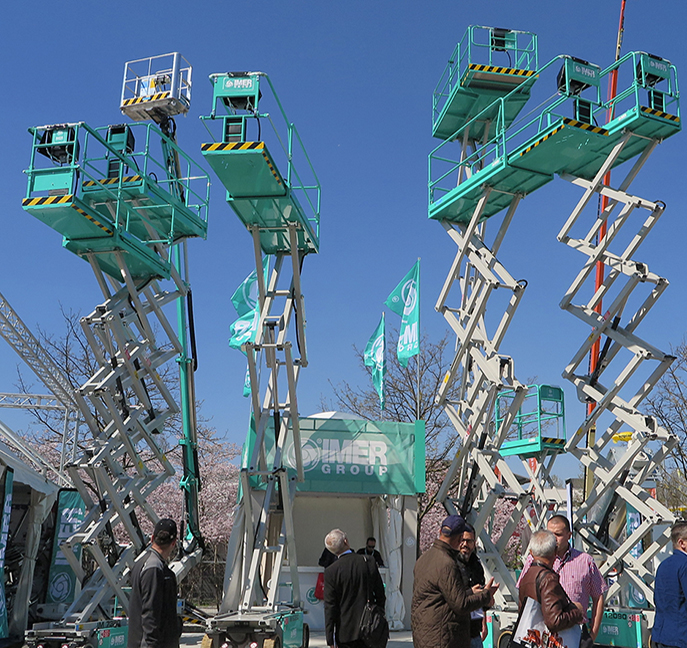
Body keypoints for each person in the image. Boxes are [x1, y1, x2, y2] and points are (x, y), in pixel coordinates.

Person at [411, 515, 498, 648]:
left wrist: (473, 594)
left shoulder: (423, 559)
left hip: (425, 633)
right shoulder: (447, 563)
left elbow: (441, 598)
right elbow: (460, 604)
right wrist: (485, 595)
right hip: (442, 636)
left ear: (440, 531)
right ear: (459, 539)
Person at [517, 514, 607, 643]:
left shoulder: (584, 561)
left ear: (569, 535)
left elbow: (598, 596)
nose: (553, 538)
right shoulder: (534, 560)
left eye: (558, 534)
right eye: (549, 533)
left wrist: (593, 633)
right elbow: (523, 594)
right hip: (543, 635)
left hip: (575, 632)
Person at [323, 528, 386, 648]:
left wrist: (330, 638)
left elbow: (330, 606)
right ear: (346, 541)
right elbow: (380, 594)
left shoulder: (331, 571)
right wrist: (379, 617)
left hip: (345, 631)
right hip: (370, 627)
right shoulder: (368, 562)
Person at [518, 530, 586, 634]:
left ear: (531, 552)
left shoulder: (527, 575)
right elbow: (554, 621)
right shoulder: (548, 579)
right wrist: (577, 612)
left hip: (531, 636)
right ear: (555, 552)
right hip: (549, 639)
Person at [128, 518, 181, 648]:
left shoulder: (141, 563)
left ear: (152, 538)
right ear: (174, 543)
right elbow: (150, 613)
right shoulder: (155, 568)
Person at [651, 520, 687, 648]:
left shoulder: (663, 565)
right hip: (681, 636)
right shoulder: (685, 565)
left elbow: (658, 598)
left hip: (661, 634)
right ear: (681, 543)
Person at [458, 525, 488, 648]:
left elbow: (481, 593)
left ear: (474, 543)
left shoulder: (476, 564)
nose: (465, 544)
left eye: (469, 541)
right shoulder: (451, 564)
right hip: (457, 631)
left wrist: (484, 622)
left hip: (475, 630)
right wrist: (470, 592)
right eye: (462, 540)